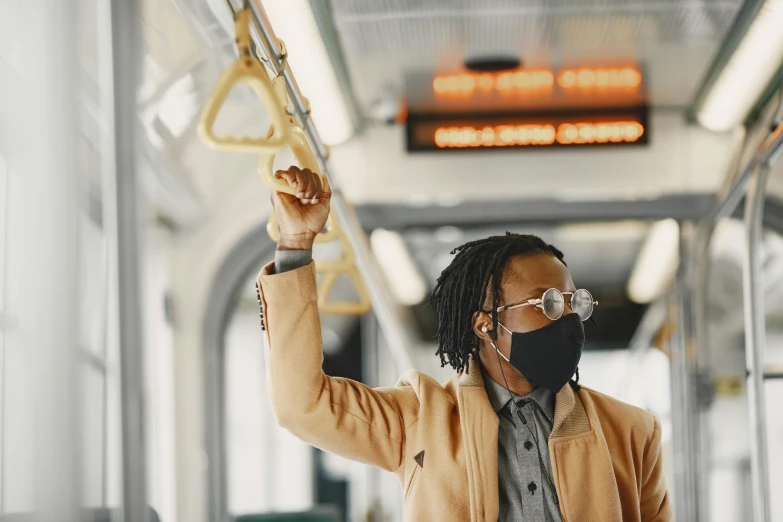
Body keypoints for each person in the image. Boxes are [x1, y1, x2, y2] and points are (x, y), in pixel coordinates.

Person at [255, 166, 671, 522]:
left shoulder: (632, 432)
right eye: (545, 303)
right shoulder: (417, 420)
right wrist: (296, 245)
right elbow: (302, 404)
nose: (567, 319)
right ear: (485, 325)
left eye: (573, 303)